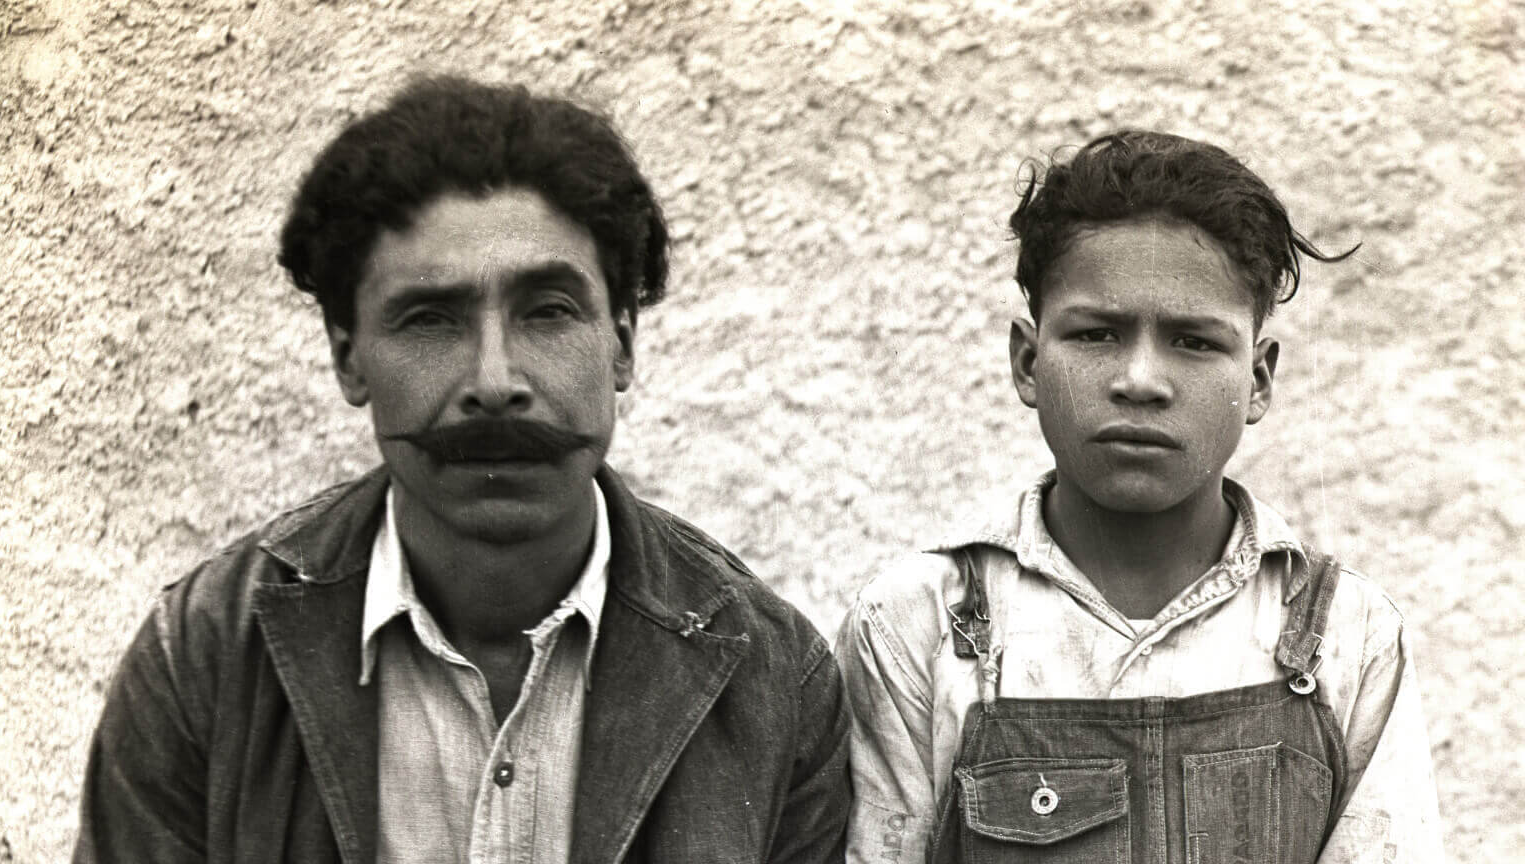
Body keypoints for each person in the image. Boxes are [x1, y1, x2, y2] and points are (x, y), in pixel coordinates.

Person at [75, 76, 850, 864]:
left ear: (621, 343)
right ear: (349, 358)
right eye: (430, 319)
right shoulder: (203, 657)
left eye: (548, 310)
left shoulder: (773, 675)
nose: (494, 381)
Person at [837, 130, 1445, 863]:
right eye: (1097, 334)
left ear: (1258, 380)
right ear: (1028, 362)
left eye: (1193, 342)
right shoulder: (921, 624)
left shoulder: (1348, 633)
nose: (1141, 380)